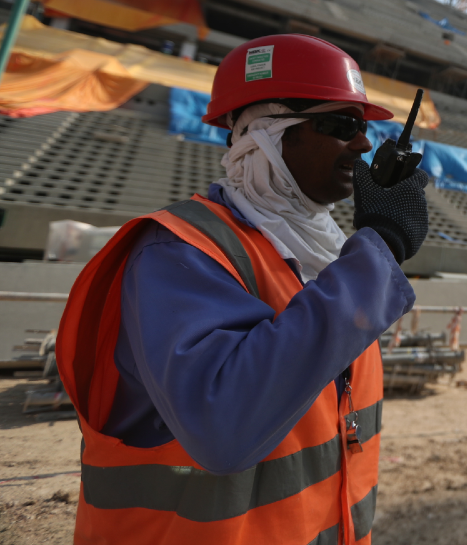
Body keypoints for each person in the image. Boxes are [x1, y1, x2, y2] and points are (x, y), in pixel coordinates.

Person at [55, 34, 429, 544]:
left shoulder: (330, 262)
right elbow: (223, 425)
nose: (364, 145)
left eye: (363, 128)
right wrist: (380, 246)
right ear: (267, 135)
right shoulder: (176, 255)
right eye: (341, 125)